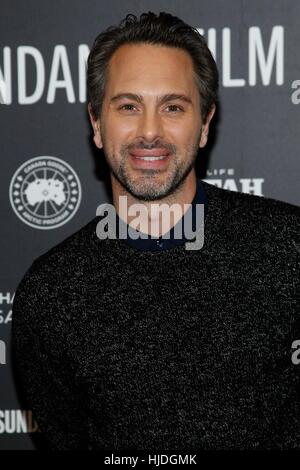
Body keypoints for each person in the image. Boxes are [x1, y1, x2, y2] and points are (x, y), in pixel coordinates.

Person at [12, 11, 300, 451]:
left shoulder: (289, 247)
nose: (150, 131)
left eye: (173, 107)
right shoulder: (51, 292)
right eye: (128, 106)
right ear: (95, 123)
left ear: (204, 125)